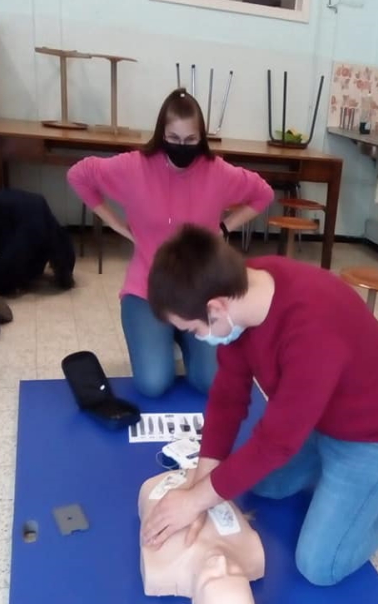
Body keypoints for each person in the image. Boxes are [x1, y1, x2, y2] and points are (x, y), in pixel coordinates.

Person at [141, 226, 378, 587]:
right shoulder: (242, 289)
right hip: (320, 423)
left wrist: (195, 501)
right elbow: (228, 399)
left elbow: (275, 444)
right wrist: (198, 491)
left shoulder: (311, 328)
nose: (197, 338)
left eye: (193, 330)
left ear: (216, 309)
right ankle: (341, 483)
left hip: (377, 438)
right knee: (262, 485)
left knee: (320, 565)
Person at [67, 89, 274, 397]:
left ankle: (180, 337)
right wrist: (115, 224)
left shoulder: (217, 172)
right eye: (174, 138)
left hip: (199, 290)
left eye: (190, 140)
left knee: (211, 382)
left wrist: (224, 227)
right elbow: (79, 175)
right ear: (161, 134)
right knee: (153, 384)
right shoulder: (133, 167)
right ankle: (163, 336)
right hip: (146, 290)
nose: (181, 147)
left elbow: (263, 194)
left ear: (201, 138)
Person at [139, 469, 265, 604]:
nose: (221, 561)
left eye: (212, 578)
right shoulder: (252, 551)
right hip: (214, 475)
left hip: (160, 485)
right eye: (235, 573)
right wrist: (197, 497)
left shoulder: (158, 567)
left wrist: (196, 497)